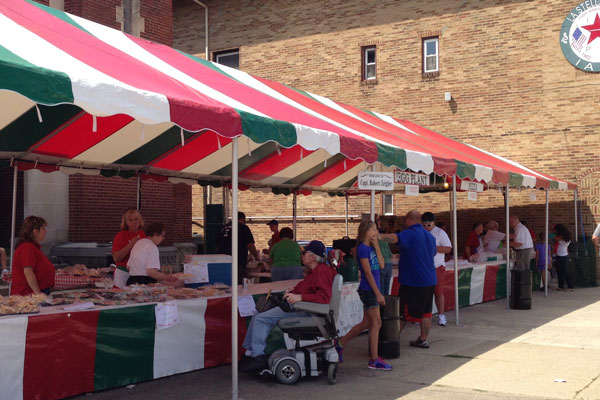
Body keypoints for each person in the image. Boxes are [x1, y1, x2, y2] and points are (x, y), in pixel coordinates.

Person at [240, 240, 337, 371]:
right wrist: (293, 291)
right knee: (258, 312)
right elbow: (308, 287)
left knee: (261, 319)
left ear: (313, 257)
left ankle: (258, 357)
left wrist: (300, 297)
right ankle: (249, 352)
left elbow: (323, 298)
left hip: (308, 311)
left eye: (305, 253)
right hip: (305, 307)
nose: (301, 256)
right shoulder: (317, 271)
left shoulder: (321, 272)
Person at [335, 220, 392, 371]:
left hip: (373, 288)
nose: (376, 232)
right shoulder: (362, 249)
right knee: (376, 323)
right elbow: (367, 273)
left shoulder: (371, 248)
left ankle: (341, 343)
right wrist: (378, 293)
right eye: (373, 230)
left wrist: (377, 245)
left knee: (367, 323)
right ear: (366, 231)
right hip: (369, 289)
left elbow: (381, 265)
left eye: (376, 230)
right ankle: (374, 359)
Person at [380, 210, 436, 349]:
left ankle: (391, 341)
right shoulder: (429, 236)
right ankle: (423, 339)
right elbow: (433, 253)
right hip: (429, 279)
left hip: (413, 281)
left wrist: (377, 236)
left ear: (409, 219)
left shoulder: (410, 233)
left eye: (405, 220)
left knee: (402, 313)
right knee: (426, 313)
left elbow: (395, 238)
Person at [126, 222, 183, 287]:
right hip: (144, 283)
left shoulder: (139, 242)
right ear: (155, 234)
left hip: (131, 282)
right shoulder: (152, 247)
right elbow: (151, 272)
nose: (163, 238)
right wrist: (168, 277)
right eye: (162, 235)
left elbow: (128, 267)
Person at [11, 216, 55, 295]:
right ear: (35, 232)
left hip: (35, 291)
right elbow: (28, 272)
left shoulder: (32, 247)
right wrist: (38, 294)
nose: (45, 231)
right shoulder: (27, 247)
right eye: (43, 229)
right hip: (28, 294)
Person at [422, 212, 451, 327]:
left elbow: (448, 248)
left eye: (428, 225)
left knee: (438, 292)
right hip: (424, 267)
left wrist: (433, 248)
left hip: (437, 266)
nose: (426, 228)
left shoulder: (440, 233)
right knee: (423, 293)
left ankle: (441, 315)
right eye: (424, 225)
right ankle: (421, 315)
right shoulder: (421, 232)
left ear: (433, 223)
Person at [217, 212, 260, 285]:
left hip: (223, 263)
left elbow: (216, 246)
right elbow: (250, 245)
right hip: (238, 262)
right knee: (240, 286)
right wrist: (256, 255)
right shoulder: (243, 227)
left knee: (225, 285)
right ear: (243, 219)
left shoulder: (222, 228)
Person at [374, 214, 393, 295]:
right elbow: (390, 254)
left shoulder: (374, 239)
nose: (380, 222)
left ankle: (382, 306)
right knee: (386, 290)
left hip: (381, 264)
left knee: (381, 290)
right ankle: (386, 305)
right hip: (388, 264)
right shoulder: (383, 238)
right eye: (378, 220)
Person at [554, 224, 574, 291]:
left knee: (562, 272)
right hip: (564, 255)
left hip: (561, 256)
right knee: (563, 272)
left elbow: (555, 238)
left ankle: (569, 286)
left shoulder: (561, 237)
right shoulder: (567, 237)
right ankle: (562, 286)